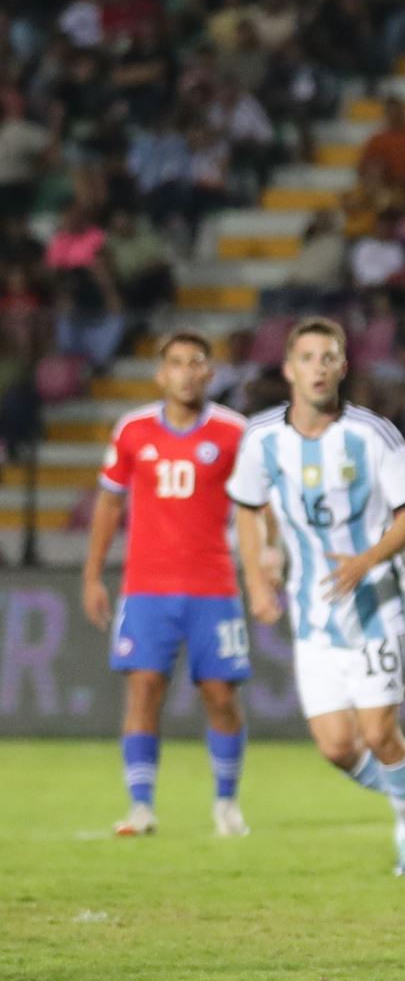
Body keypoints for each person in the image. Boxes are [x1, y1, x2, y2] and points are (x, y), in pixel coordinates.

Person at [228, 318, 405, 878]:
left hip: (376, 602)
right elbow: (248, 507)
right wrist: (257, 579)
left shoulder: (371, 434)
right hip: (312, 613)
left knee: (378, 733)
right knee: (335, 747)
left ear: (343, 368)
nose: (319, 368)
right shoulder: (261, 439)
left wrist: (365, 560)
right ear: (289, 369)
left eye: (330, 357)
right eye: (308, 357)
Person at [82, 333, 251, 838]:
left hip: (214, 586)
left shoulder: (233, 433)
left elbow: (255, 506)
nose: (184, 372)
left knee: (220, 695)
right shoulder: (132, 430)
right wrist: (93, 573)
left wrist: (264, 563)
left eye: (195, 362)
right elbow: (110, 503)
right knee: (144, 689)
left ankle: (226, 803)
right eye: (175, 363)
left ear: (209, 374)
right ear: (161, 375)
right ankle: (141, 807)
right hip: (147, 586)